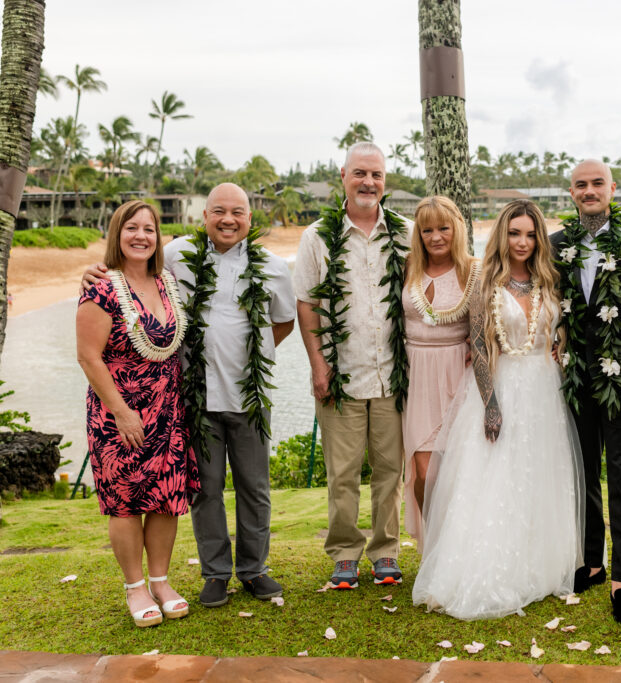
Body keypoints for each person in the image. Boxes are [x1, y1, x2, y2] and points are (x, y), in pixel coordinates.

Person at [82, 183, 296, 609]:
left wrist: (246, 354)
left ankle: (254, 569)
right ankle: (216, 573)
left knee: (255, 487)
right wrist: (93, 270)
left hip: (250, 397)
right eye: (218, 210)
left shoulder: (272, 265)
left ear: (250, 219)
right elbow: (129, 275)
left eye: (238, 212)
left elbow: (284, 321)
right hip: (193, 399)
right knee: (206, 490)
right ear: (205, 216)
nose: (228, 219)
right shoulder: (176, 256)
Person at [412, 199, 584, 620]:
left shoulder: (551, 281)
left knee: (538, 479)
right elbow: (478, 345)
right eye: (514, 233)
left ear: (538, 238)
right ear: (502, 236)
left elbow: (559, 332)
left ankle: (537, 568)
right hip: (501, 389)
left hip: (545, 392)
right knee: (495, 480)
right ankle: (481, 569)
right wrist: (491, 403)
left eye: (529, 234)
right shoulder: (484, 284)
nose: (522, 242)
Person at [550, 159, 621, 625]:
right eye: (581, 185)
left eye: (598, 183)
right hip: (575, 380)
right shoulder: (556, 245)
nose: (590, 190)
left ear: (612, 188)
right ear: (572, 193)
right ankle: (592, 562)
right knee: (582, 475)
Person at [294, 142, 409, 589]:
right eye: (360, 173)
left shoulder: (404, 233)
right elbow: (307, 304)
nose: (368, 183)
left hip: (392, 377)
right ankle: (344, 553)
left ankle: (385, 551)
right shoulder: (317, 237)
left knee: (389, 473)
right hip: (339, 376)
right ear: (343, 175)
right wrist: (318, 365)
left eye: (376, 175)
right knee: (341, 474)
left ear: (385, 181)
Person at [77, 200, 196, 628]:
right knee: (125, 502)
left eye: (149, 228)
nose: (141, 236)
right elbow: (88, 357)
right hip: (118, 411)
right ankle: (135, 587)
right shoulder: (100, 286)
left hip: (167, 408)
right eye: (132, 228)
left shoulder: (166, 281)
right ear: (117, 233)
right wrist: (123, 412)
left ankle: (161, 581)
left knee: (165, 497)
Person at [401, 195, 478, 545]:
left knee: (459, 469)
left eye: (443, 228)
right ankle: (434, 542)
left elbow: (495, 320)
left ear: (456, 229)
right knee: (424, 472)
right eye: (427, 230)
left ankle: (458, 546)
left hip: (459, 375)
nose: (435, 237)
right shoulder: (408, 267)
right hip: (417, 374)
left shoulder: (474, 270)